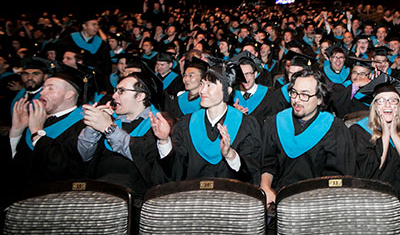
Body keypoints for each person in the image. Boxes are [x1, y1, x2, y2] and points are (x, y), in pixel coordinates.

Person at [149, 61, 262, 184]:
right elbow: (176, 170)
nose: (202, 91)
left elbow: (252, 175)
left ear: (228, 90)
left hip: (231, 197)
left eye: (209, 85)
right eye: (202, 84)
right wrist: (164, 140)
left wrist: (230, 155)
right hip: (192, 196)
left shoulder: (246, 125)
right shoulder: (186, 124)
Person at [260, 69, 355, 205]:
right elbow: (268, 164)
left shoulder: (334, 128)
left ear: (320, 99)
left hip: (319, 201)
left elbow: (339, 177)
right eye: (294, 93)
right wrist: (265, 187)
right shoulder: (276, 122)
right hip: (278, 198)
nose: (297, 100)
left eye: (304, 95)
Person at [4, 65, 89, 206]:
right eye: (43, 88)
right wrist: (17, 132)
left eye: (50, 88)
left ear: (69, 95)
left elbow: (63, 170)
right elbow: (17, 167)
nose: (42, 92)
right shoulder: (39, 118)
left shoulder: (84, 126)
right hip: (20, 200)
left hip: (54, 205)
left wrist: (37, 131)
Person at [77, 72, 162, 200]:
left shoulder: (159, 122)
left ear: (139, 96)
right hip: (98, 189)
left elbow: (142, 156)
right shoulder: (113, 120)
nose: (114, 96)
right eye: (115, 90)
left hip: (136, 197)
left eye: (121, 91)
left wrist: (108, 128)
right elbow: (84, 155)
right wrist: (92, 126)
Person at [351, 74, 400, 201]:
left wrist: (394, 134)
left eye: (393, 100)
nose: (387, 105)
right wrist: (386, 135)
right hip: (375, 197)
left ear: (399, 105)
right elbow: (367, 173)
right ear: (374, 106)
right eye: (381, 100)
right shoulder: (359, 131)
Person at [58, 15, 110, 90]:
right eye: (93, 24)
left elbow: (105, 65)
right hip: (68, 75)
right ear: (84, 26)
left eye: (97, 24)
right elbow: (59, 56)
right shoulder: (69, 39)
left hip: (90, 79)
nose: (97, 27)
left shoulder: (101, 44)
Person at [230, 51, 273, 124]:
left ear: (255, 74)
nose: (245, 78)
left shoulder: (269, 95)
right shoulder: (230, 95)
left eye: (248, 74)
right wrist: (234, 114)